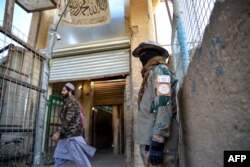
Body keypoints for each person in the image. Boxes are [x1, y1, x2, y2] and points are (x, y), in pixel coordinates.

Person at [132, 41, 179, 167]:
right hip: (149, 143)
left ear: (154, 54)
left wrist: (158, 142)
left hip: (158, 145)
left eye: (145, 53)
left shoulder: (160, 70)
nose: (142, 57)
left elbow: (164, 105)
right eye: (140, 54)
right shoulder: (150, 74)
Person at [51, 82, 95, 167]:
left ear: (70, 91)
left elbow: (68, 120)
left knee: (82, 163)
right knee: (58, 159)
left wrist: (58, 132)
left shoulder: (72, 102)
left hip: (72, 136)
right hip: (65, 137)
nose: (62, 92)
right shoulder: (67, 101)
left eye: (64, 90)